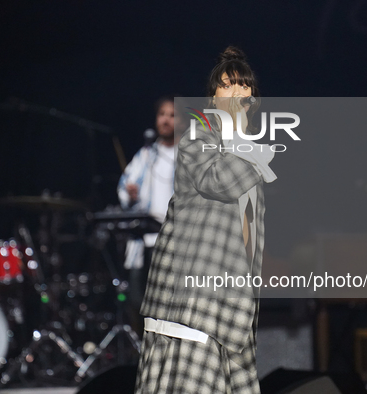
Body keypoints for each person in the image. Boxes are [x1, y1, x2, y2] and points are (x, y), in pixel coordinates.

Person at [134, 47, 276, 394]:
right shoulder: (200, 135)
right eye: (227, 86)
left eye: (244, 87)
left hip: (231, 300)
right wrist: (254, 153)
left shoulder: (247, 151)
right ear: (212, 98)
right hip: (191, 299)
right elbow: (219, 183)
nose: (237, 93)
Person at [117, 96, 181, 329]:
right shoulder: (145, 155)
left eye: (172, 115)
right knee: (138, 301)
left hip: (173, 243)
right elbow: (125, 186)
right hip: (143, 242)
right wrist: (130, 194)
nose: (166, 120)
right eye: (162, 114)